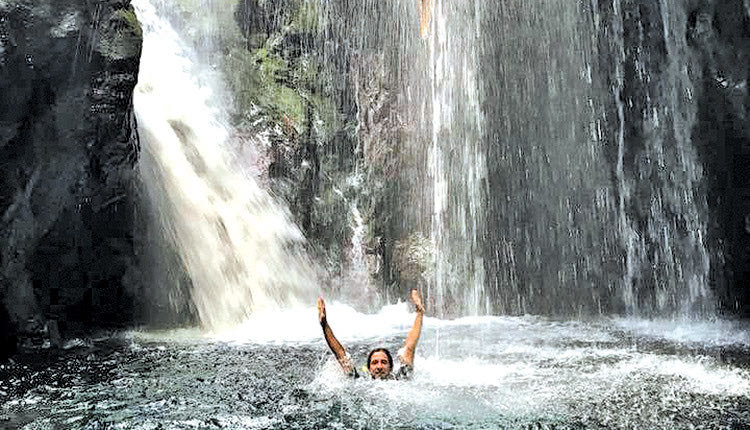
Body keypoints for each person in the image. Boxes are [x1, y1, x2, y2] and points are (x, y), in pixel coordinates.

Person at [317, 289, 425, 380]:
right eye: (374, 363)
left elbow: (409, 349)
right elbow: (340, 353)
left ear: (391, 367)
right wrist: (324, 324)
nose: (379, 366)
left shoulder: (400, 379)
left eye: (383, 362)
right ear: (368, 369)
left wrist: (419, 312)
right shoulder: (359, 381)